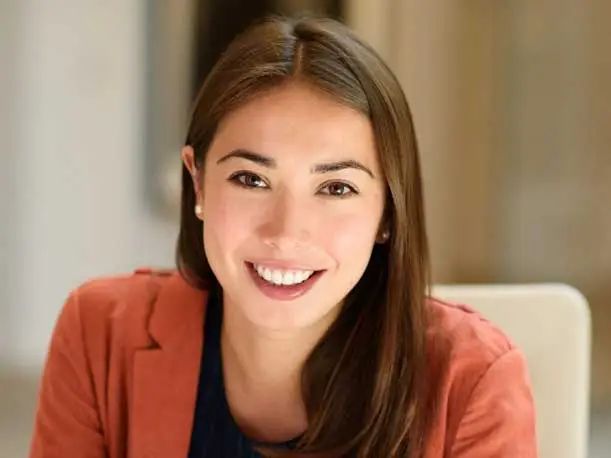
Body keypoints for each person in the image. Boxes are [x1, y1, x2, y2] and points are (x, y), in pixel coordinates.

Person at [29, 15, 537, 458]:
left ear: (388, 209)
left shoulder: (473, 379)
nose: (286, 231)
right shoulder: (99, 332)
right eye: (251, 179)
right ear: (197, 182)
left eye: (336, 188)